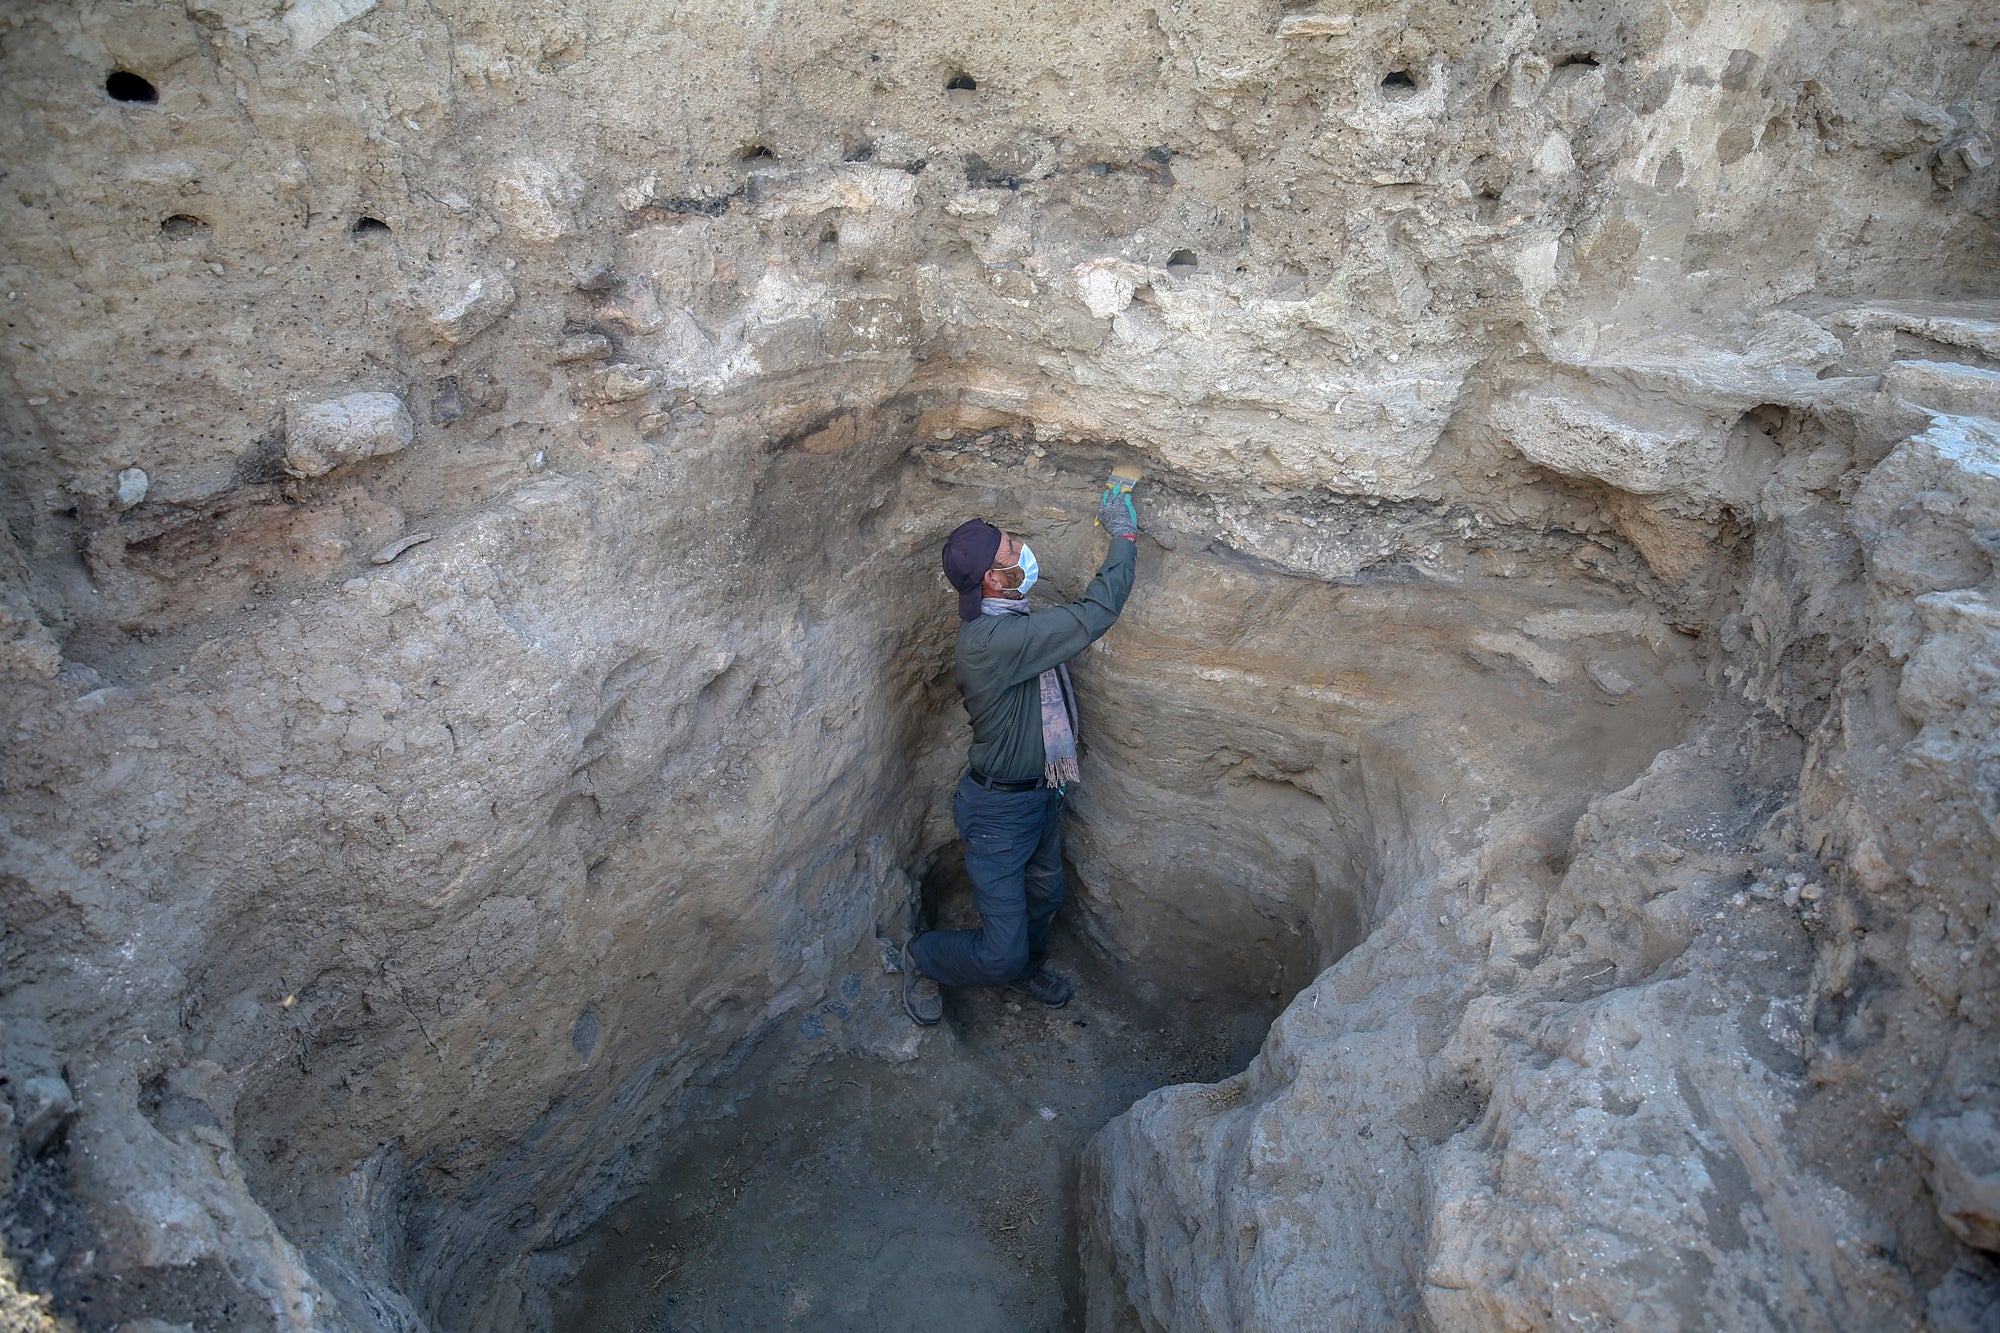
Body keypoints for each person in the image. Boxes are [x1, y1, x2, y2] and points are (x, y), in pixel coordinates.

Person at [902, 488, 1141, 1026]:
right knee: (999, 950)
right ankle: (925, 958)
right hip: (998, 814)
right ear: (992, 578)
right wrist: (1123, 535)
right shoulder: (993, 640)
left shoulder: (1010, 623)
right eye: (1012, 550)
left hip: (1038, 797)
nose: (1023, 551)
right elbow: (1096, 612)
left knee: (1045, 893)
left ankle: (1023, 966)